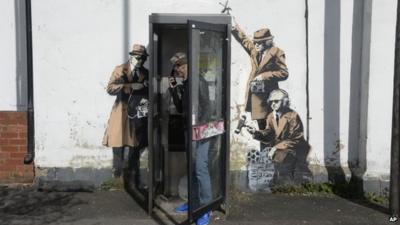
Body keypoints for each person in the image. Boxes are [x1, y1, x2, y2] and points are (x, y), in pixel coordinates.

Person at [168, 52, 212, 225]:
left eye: (177, 67)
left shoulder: (198, 81)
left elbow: (207, 106)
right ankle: (193, 202)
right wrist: (173, 89)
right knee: (193, 167)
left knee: (200, 168)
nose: (176, 70)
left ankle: (206, 208)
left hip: (199, 130)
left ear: (183, 66)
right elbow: (180, 108)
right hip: (190, 129)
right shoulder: (185, 83)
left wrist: (200, 131)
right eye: (176, 67)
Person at [102, 44, 149, 190]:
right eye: (137, 57)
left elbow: (148, 93)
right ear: (131, 56)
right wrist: (129, 86)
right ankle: (118, 179)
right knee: (118, 146)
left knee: (135, 146)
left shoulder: (145, 72)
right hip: (121, 112)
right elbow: (110, 88)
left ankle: (133, 180)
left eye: (142, 58)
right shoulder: (120, 69)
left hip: (137, 114)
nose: (140, 61)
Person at [231, 21, 289, 132]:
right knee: (263, 133)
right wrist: (234, 27)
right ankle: (265, 149)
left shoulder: (277, 52)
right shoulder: (255, 51)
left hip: (270, 100)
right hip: (256, 100)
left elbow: (284, 73)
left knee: (272, 132)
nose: (256, 45)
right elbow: (244, 41)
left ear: (267, 42)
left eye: (259, 42)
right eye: (255, 42)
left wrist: (264, 76)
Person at [246, 89, 309, 185]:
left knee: (281, 162)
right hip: (278, 150)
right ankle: (278, 183)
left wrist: (275, 148)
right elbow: (269, 133)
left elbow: (295, 139)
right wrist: (255, 132)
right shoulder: (271, 116)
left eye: (276, 101)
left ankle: (286, 183)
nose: (273, 104)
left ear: (285, 102)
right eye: (271, 101)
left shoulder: (293, 116)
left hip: (292, 149)